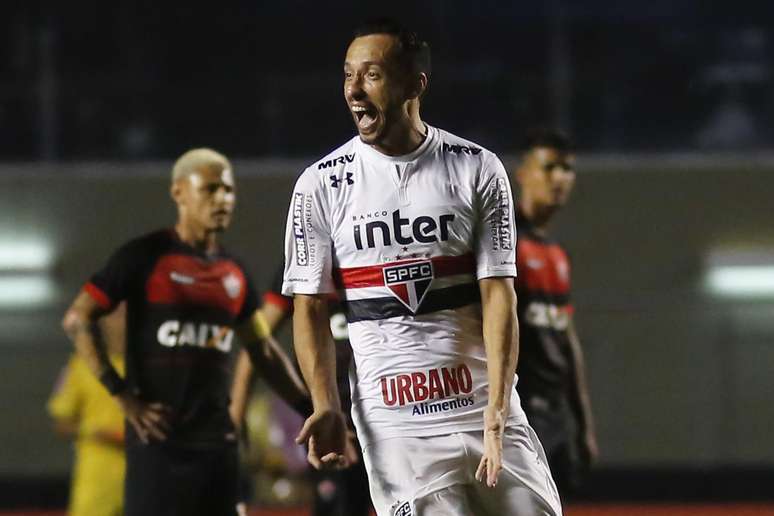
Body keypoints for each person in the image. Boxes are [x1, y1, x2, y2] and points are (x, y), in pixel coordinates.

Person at [281, 19, 562, 516]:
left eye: (371, 75)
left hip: (484, 410)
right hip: (396, 427)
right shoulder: (320, 185)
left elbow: (500, 295)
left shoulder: (477, 168)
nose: (353, 90)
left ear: (415, 84)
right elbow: (308, 306)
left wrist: (498, 407)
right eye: (348, 76)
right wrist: (325, 402)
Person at [61, 148, 310, 516]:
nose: (222, 199)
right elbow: (78, 319)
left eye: (228, 190)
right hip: (159, 449)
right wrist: (123, 395)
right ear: (179, 192)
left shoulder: (234, 272)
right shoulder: (144, 257)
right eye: (210, 189)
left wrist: (311, 410)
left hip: (217, 451)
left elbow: (263, 350)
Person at [230, 263, 372, 516]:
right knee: (339, 504)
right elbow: (256, 345)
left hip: (384, 404)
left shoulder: (372, 245)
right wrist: (236, 415)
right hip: (329, 410)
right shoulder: (303, 258)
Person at [512, 129, 598, 497]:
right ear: (523, 173)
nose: (559, 178)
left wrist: (582, 424)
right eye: (549, 167)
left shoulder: (556, 252)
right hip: (519, 413)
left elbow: (566, 340)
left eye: (567, 169)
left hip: (555, 416)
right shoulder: (504, 242)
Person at [48, 306, 127, 516]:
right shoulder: (81, 366)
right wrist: (96, 432)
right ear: (102, 321)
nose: (122, 321)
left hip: (144, 478)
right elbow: (61, 423)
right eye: (116, 314)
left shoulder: (153, 368)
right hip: (95, 481)